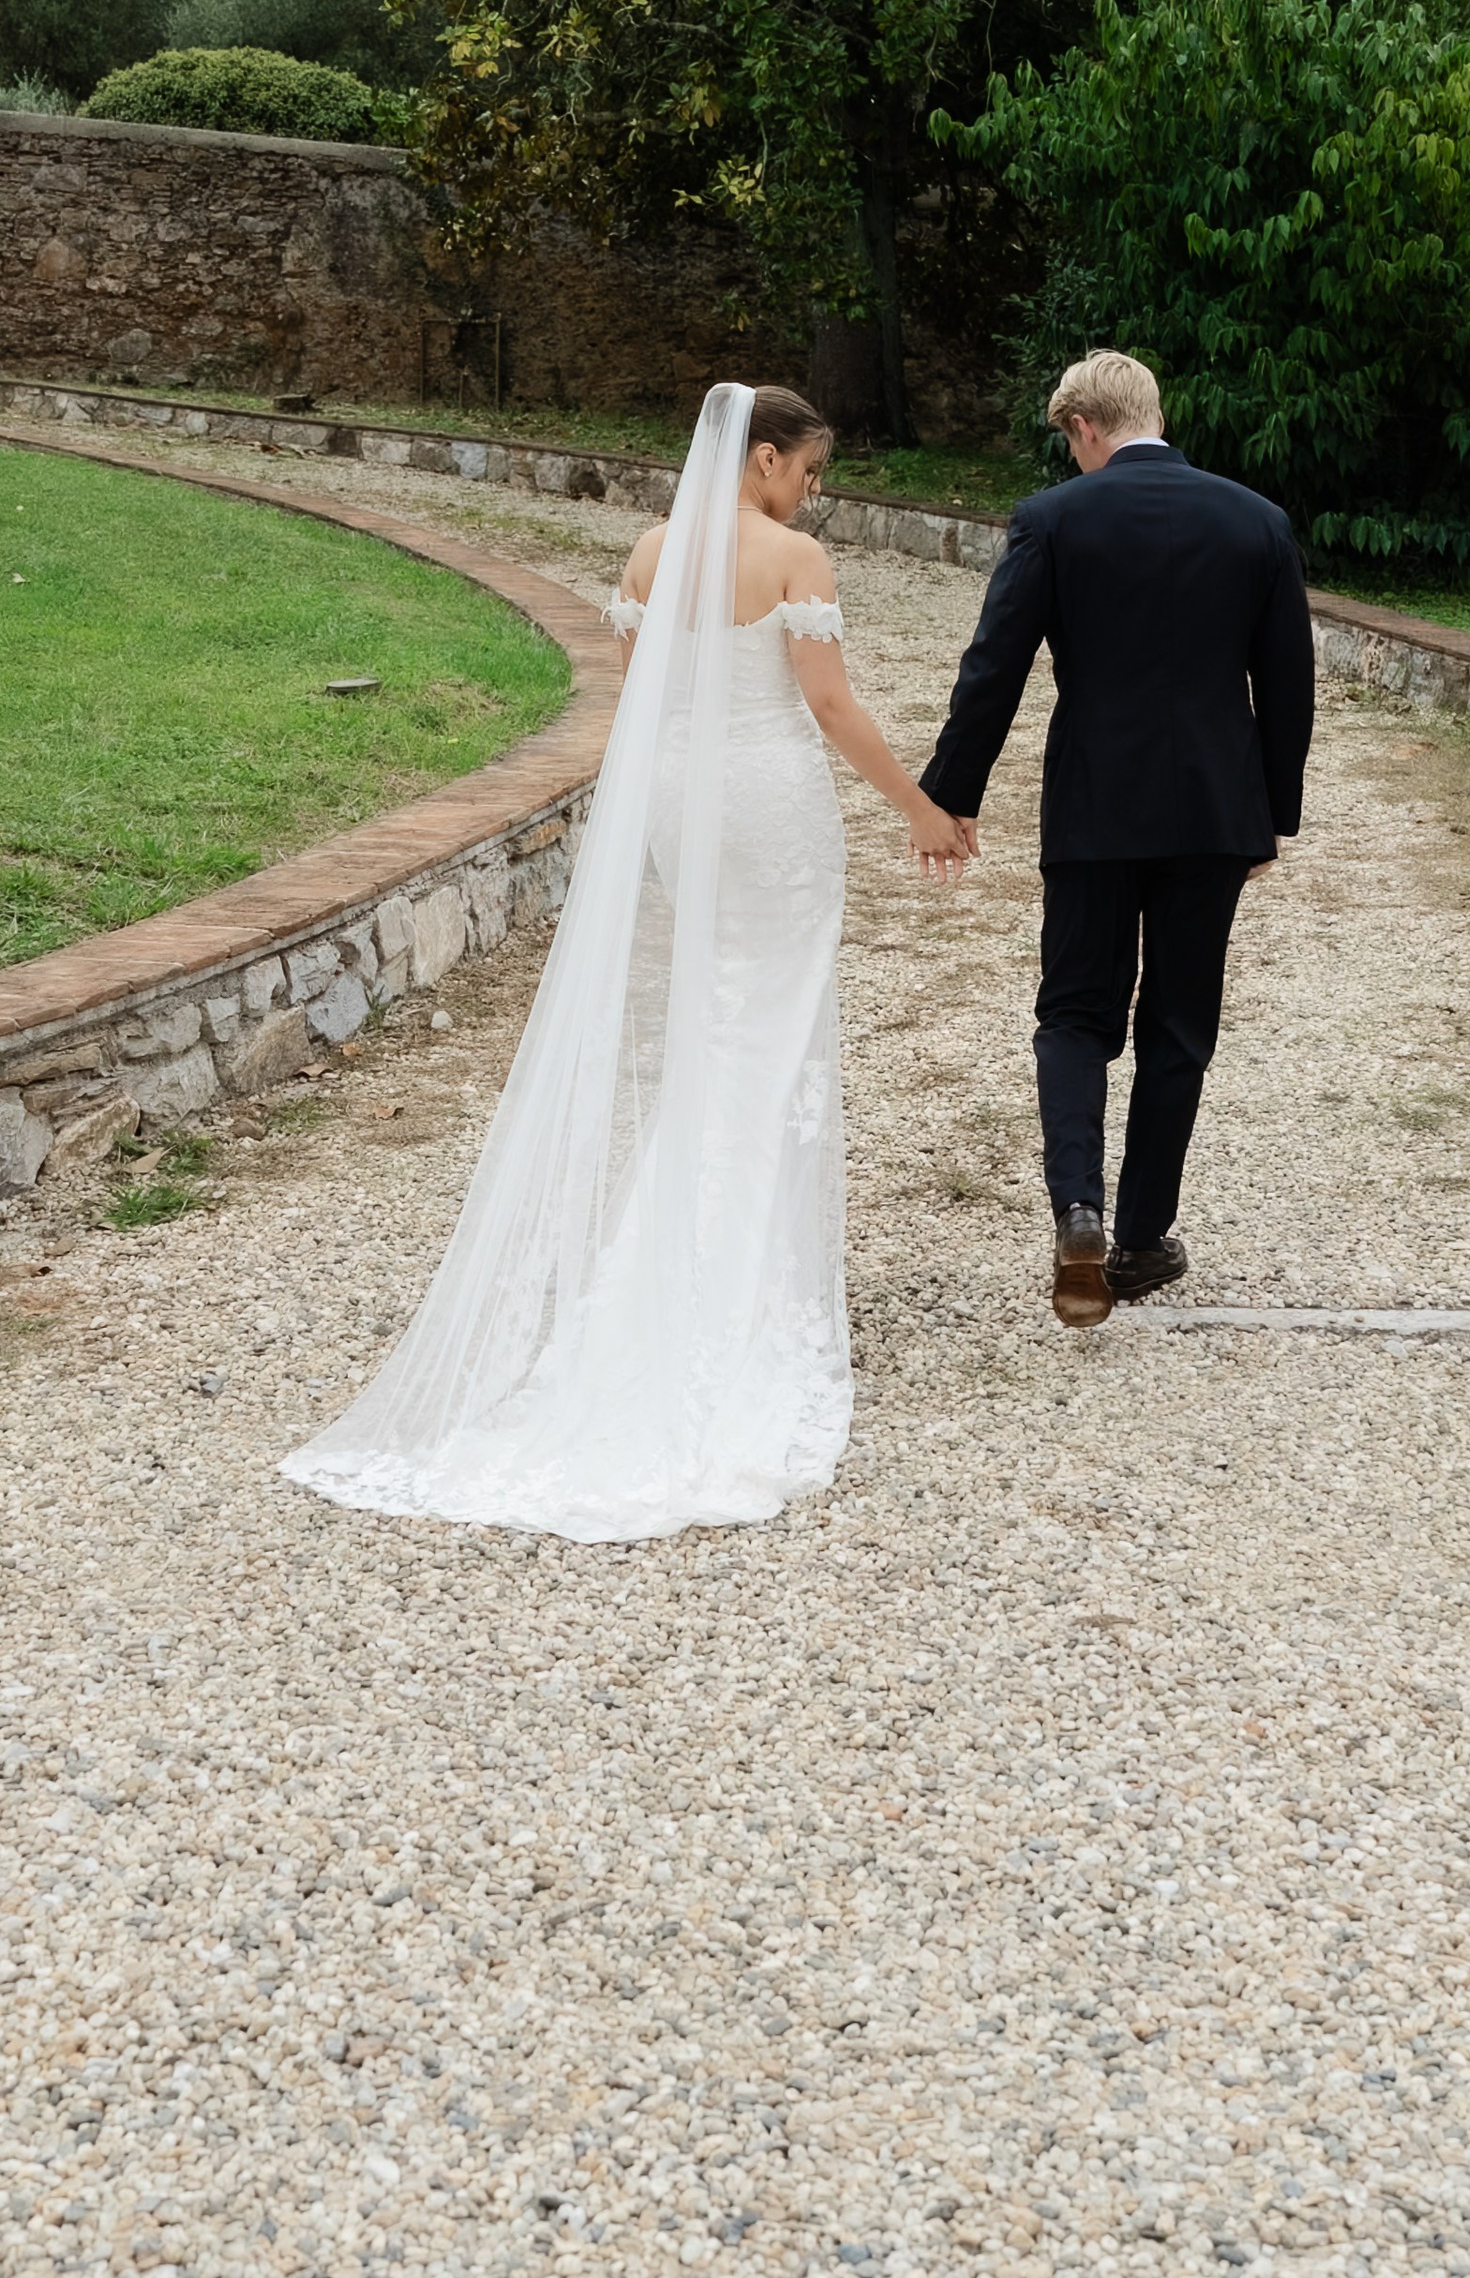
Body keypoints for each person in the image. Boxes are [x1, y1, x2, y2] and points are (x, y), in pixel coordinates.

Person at [281, 382, 968, 1541]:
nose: (813, 492)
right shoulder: (793, 559)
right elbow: (831, 704)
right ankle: (742, 1274)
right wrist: (919, 804)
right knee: (773, 1021)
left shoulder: (650, 549)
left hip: (673, 797)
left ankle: (676, 1257)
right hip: (766, 800)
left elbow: (641, 692)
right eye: (806, 470)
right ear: (759, 460)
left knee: (711, 1014)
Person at [920, 349, 1314, 1328]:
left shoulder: (1052, 520)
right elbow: (1288, 686)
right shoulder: (1256, 523)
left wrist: (950, 794)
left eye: (1070, 440)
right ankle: (1138, 1241)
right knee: (1177, 1027)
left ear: (1086, 428)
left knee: (1074, 1016)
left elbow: (993, 668)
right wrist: (1272, 812)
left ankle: (1077, 1210)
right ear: (1151, 415)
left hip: (1094, 808)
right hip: (1215, 814)